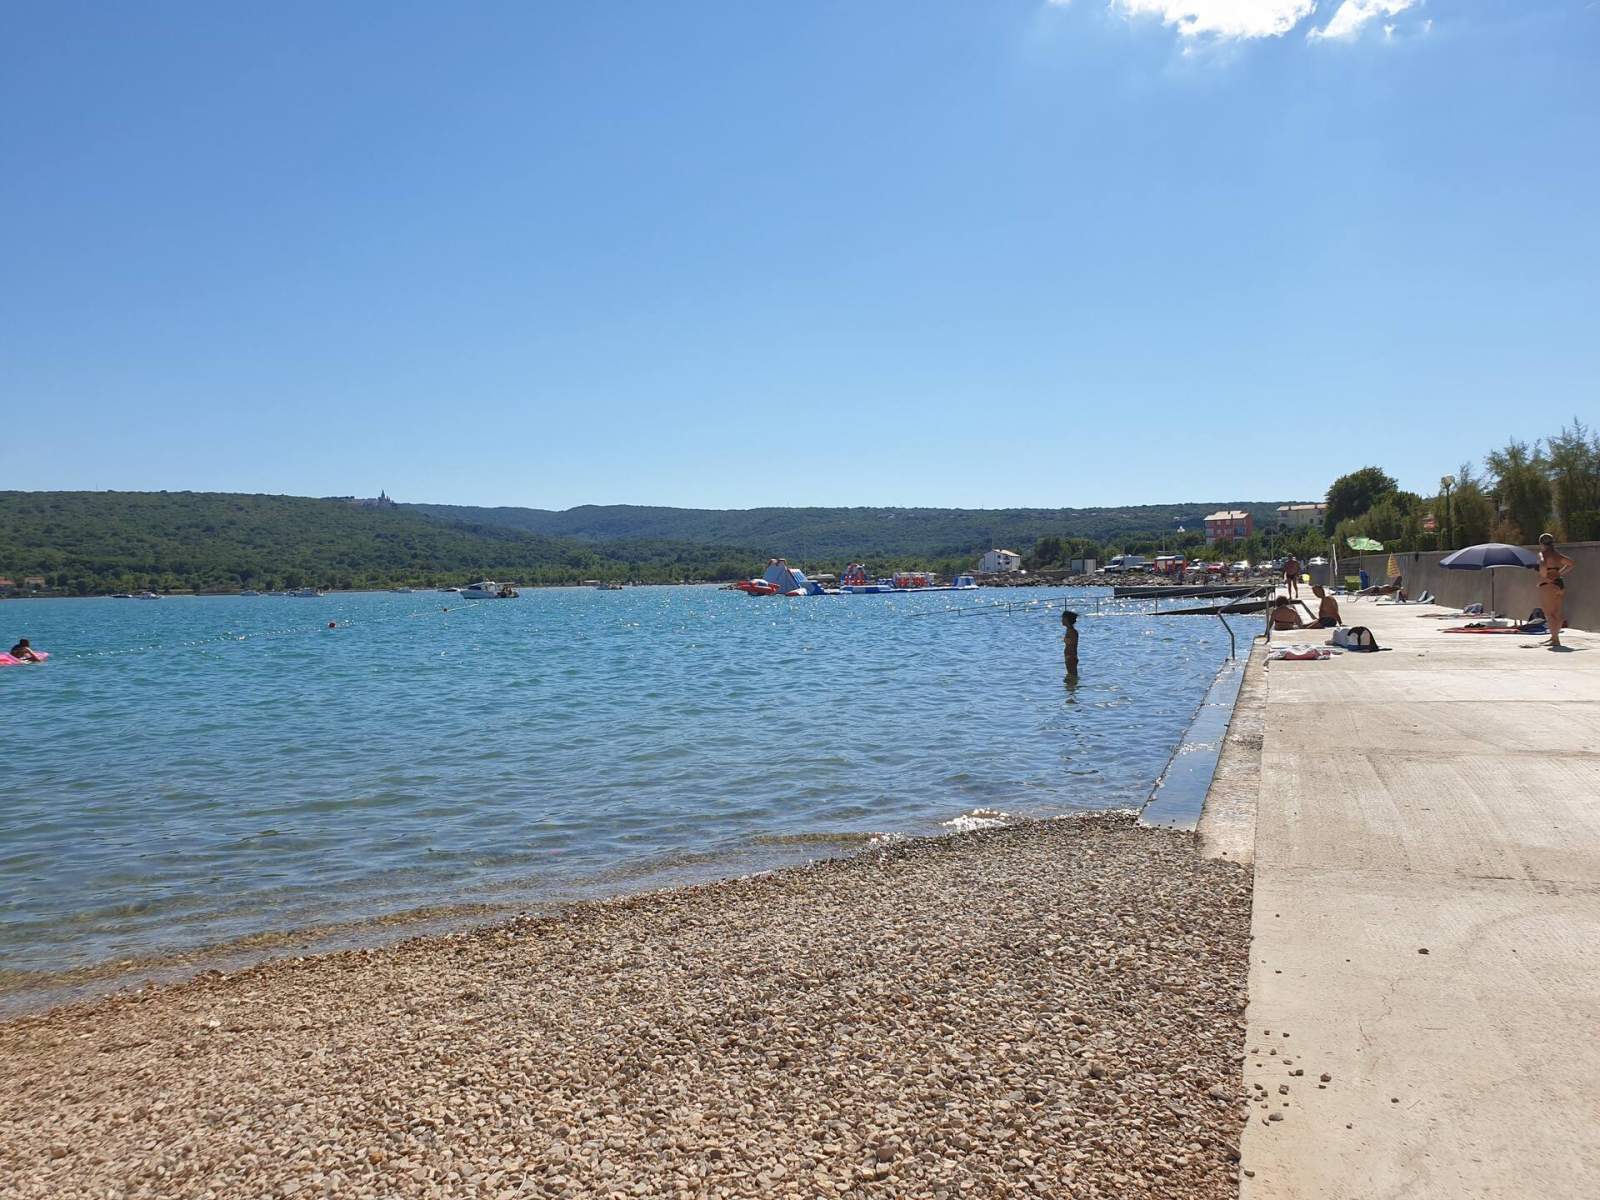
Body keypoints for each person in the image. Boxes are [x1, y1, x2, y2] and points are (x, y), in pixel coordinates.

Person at [1537, 533, 1574, 648]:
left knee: (1549, 613)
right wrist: (1559, 573)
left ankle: (1555, 639)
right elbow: (1571, 563)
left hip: (1549, 585)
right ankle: (1554, 637)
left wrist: (1544, 578)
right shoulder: (1556, 554)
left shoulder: (1543, 554)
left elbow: (1543, 564)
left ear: (1541, 543)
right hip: (1559, 584)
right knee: (1557, 613)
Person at [1061, 609, 1079, 678]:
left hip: (1071, 657)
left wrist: (1069, 657)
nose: (1061, 620)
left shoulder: (1072, 631)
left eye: (1063, 618)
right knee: (1070, 677)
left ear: (1066, 619)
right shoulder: (1069, 630)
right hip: (1069, 657)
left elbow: (1072, 645)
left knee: (1072, 677)